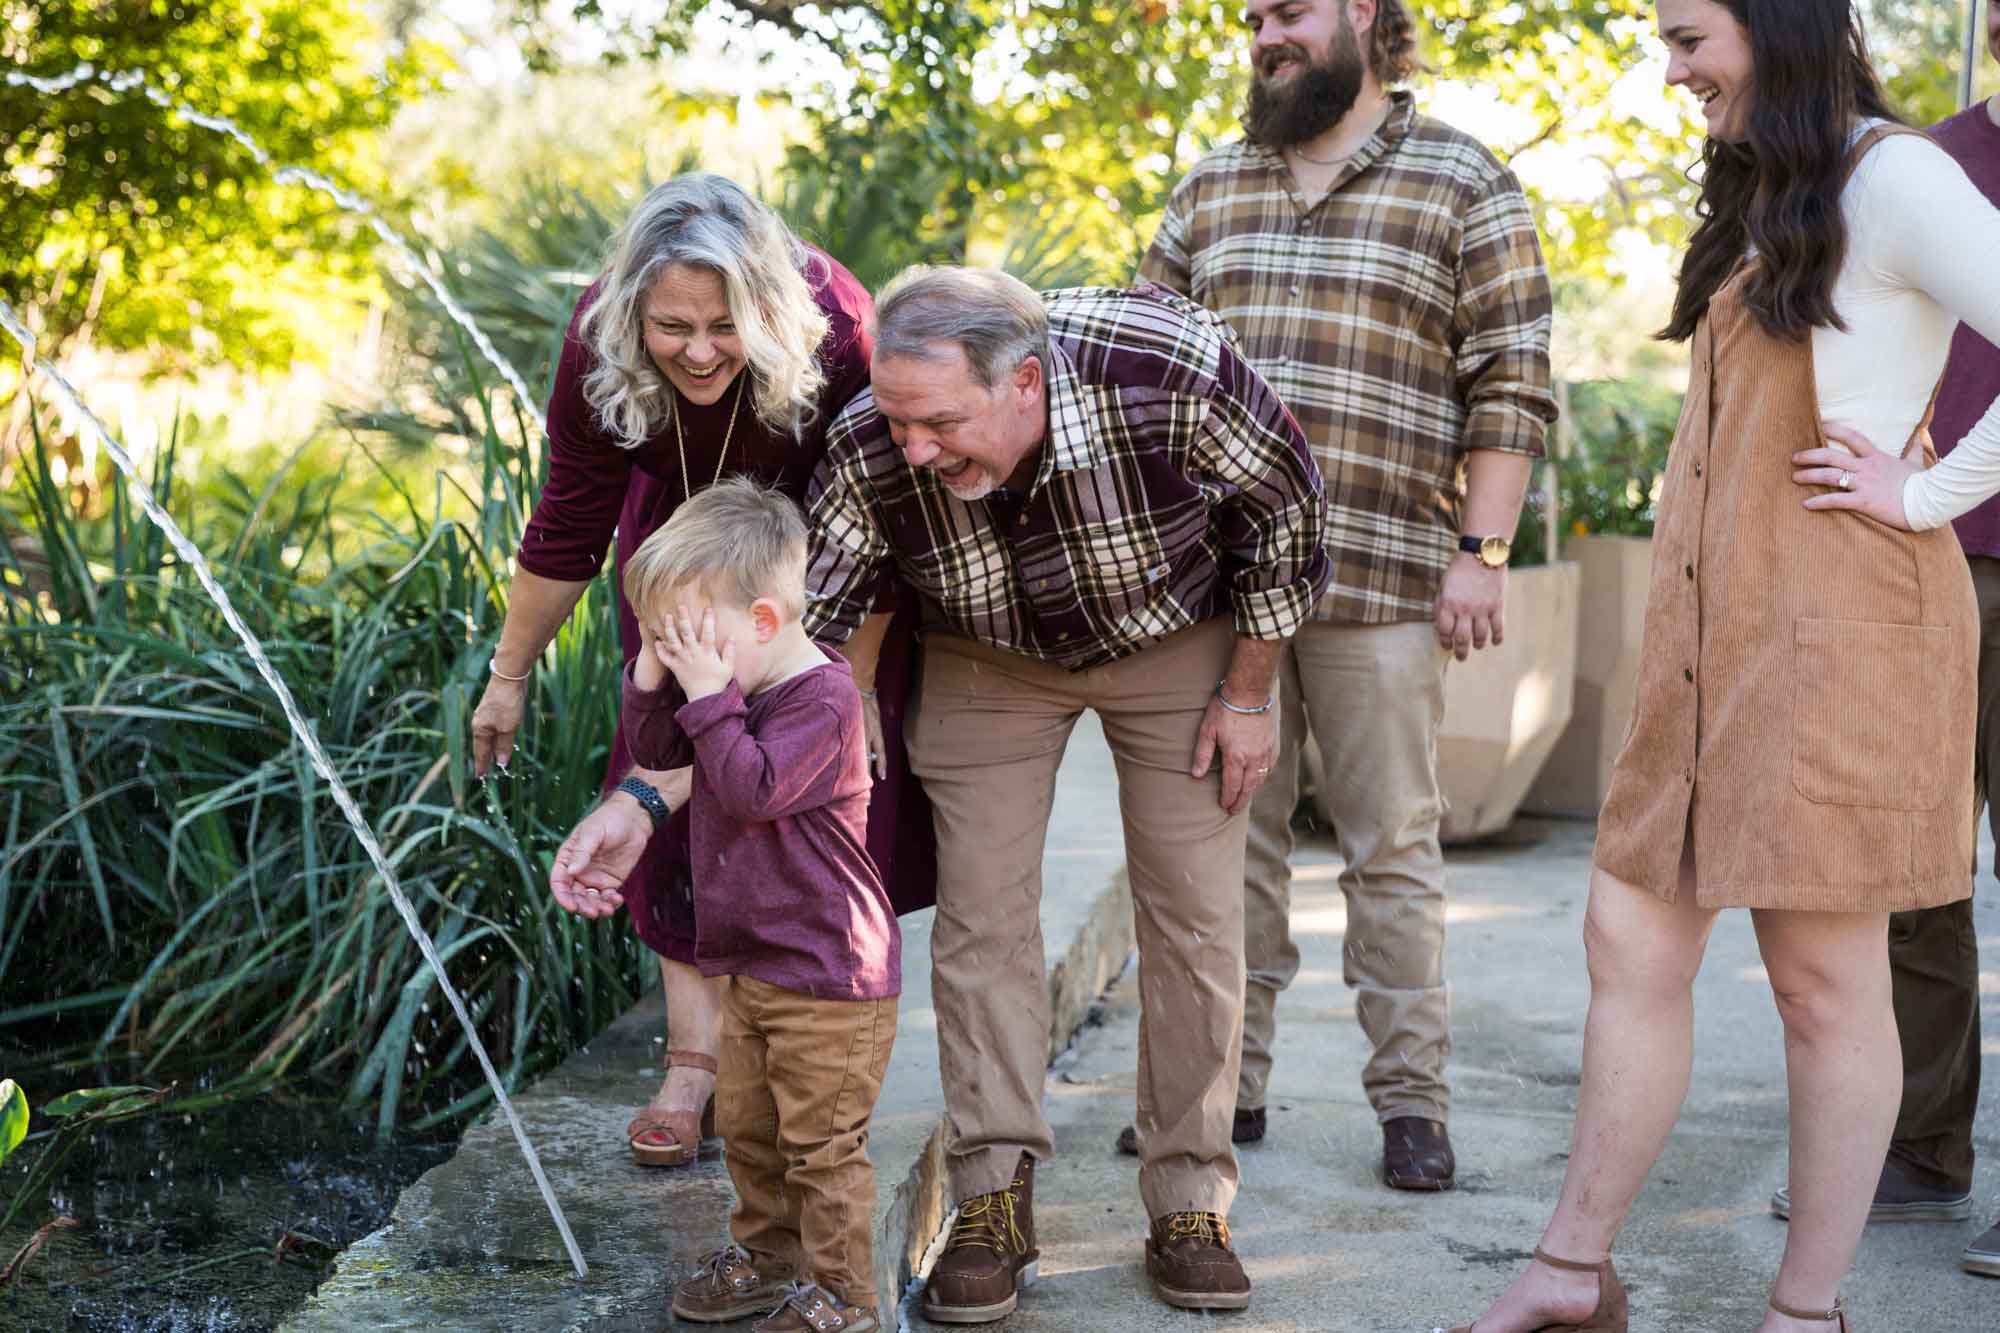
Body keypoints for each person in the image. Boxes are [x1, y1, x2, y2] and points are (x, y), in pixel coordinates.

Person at [1449, 3, 2000, 1331]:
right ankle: (1572, 1273)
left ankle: (1804, 1312)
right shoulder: (1773, 185)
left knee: (1824, 977)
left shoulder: (1898, 175)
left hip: (1845, 635)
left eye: (1692, 35)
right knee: (1627, 936)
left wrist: (1926, 500)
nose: (1674, 68)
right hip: (1711, 640)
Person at [804, 267, 1331, 1319]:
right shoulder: (875, 434)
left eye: (941, 422)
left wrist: (1247, 696)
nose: (913, 448)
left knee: (1190, 914)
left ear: (1026, 385)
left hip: (1174, 636)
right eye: (900, 420)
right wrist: (844, 692)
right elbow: (833, 586)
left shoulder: (1165, 373)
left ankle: (1188, 1197)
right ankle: (991, 1198)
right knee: (981, 916)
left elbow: (1282, 517)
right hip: (984, 653)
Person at [1135, 0, 1556, 1190]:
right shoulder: (1209, 186)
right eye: (1253, 16)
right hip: (1217, 593)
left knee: (1391, 853)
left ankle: (1411, 1106)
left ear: (1364, 14)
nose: (1264, 32)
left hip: (1378, 581)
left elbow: (1511, 378)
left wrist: (1480, 551)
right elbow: (1137, 362)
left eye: (1287, 11)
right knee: (1222, 852)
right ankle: (1223, 1090)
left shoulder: (1462, 179)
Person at [466, 173, 930, 1171]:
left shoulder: (836, 325)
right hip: (677, 560)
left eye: (725, 324)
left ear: (767, 305)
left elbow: (884, 509)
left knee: (807, 810)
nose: (701, 350)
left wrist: (844, 680)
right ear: (630, 309)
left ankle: (790, 1051)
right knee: (670, 778)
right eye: (672, 326)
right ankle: (691, 1063)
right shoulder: (598, 338)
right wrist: (508, 674)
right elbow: (569, 517)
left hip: (822, 568)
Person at [1768, 0, 2000, 1282]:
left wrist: (1923, 488)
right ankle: (1922, 1146)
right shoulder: (1928, 153)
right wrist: (1915, 500)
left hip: (1930, 517)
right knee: (1912, 877)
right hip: (1926, 563)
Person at [616, 478, 897, 1333]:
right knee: (749, 1130)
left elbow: (749, 785)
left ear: (765, 622)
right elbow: (659, 745)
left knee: (819, 1150)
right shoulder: (729, 689)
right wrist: (656, 670)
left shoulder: (824, 699)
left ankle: (847, 1297)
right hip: (751, 963)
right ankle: (770, 1258)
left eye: (693, 632)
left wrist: (705, 693)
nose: (679, 650)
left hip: (827, 975)